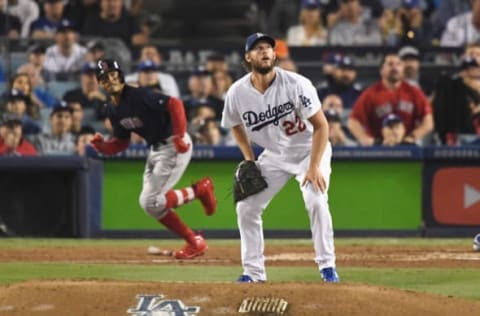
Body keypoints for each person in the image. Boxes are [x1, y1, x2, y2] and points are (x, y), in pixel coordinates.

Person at [221, 33, 339, 283]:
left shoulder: (297, 84)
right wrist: (249, 159)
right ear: (247, 57)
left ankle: (327, 268)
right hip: (275, 155)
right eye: (258, 48)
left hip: (310, 149)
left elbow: (321, 126)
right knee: (246, 207)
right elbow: (234, 124)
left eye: (268, 48)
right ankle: (253, 273)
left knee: (315, 200)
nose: (264, 52)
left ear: (275, 55)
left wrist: (314, 166)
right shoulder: (237, 92)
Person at [90, 59, 217, 259]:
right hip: (156, 149)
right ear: (101, 83)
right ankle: (198, 192)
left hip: (174, 144)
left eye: (114, 75)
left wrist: (179, 135)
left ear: (120, 76)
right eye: (105, 78)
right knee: (149, 204)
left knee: (151, 201)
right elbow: (122, 142)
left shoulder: (137, 94)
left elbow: (174, 104)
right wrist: (103, 147)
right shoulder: (113, 109)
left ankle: (194, 241)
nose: (111, 80)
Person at [347, 53, 433, 146]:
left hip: (407, 147)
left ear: (403, 69)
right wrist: (367, 140)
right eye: (390, 64)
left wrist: (413, 136)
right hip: (378, 147)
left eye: (398, 64)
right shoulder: (371, 94)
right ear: (381, 70)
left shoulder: (414, 92)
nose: (395, 68)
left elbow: (428, 121)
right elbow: (353, 122)